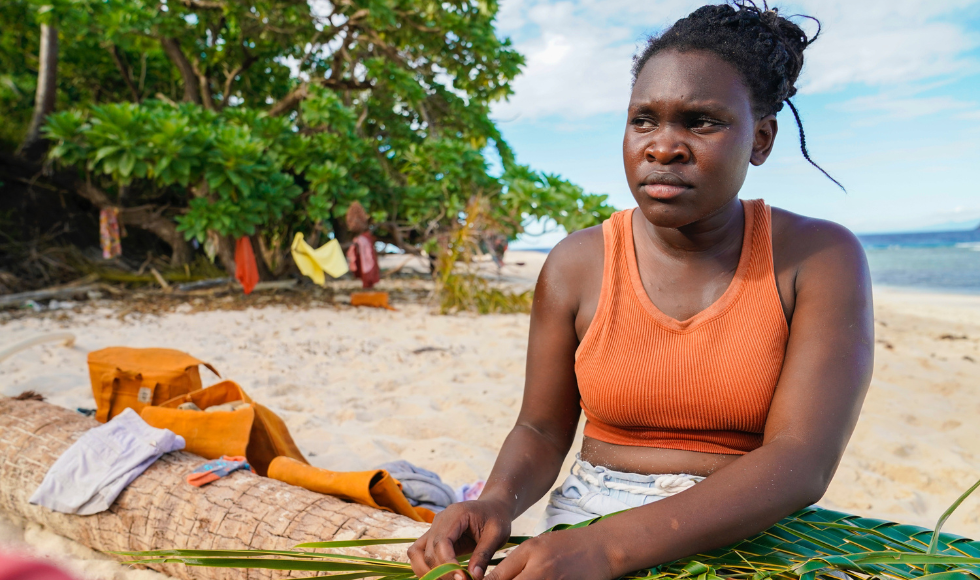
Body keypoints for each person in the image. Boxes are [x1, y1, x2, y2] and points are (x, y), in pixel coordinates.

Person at [408, 3, 874, 580]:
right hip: (589, 511)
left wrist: (609, 550)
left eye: (701, 122)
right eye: (644, 120)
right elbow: (541, 427)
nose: (663, 147)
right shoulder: (577, 264)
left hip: (749, 524)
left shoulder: (819, 258)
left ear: (762, 139)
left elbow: (800, 462)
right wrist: (497, 500)